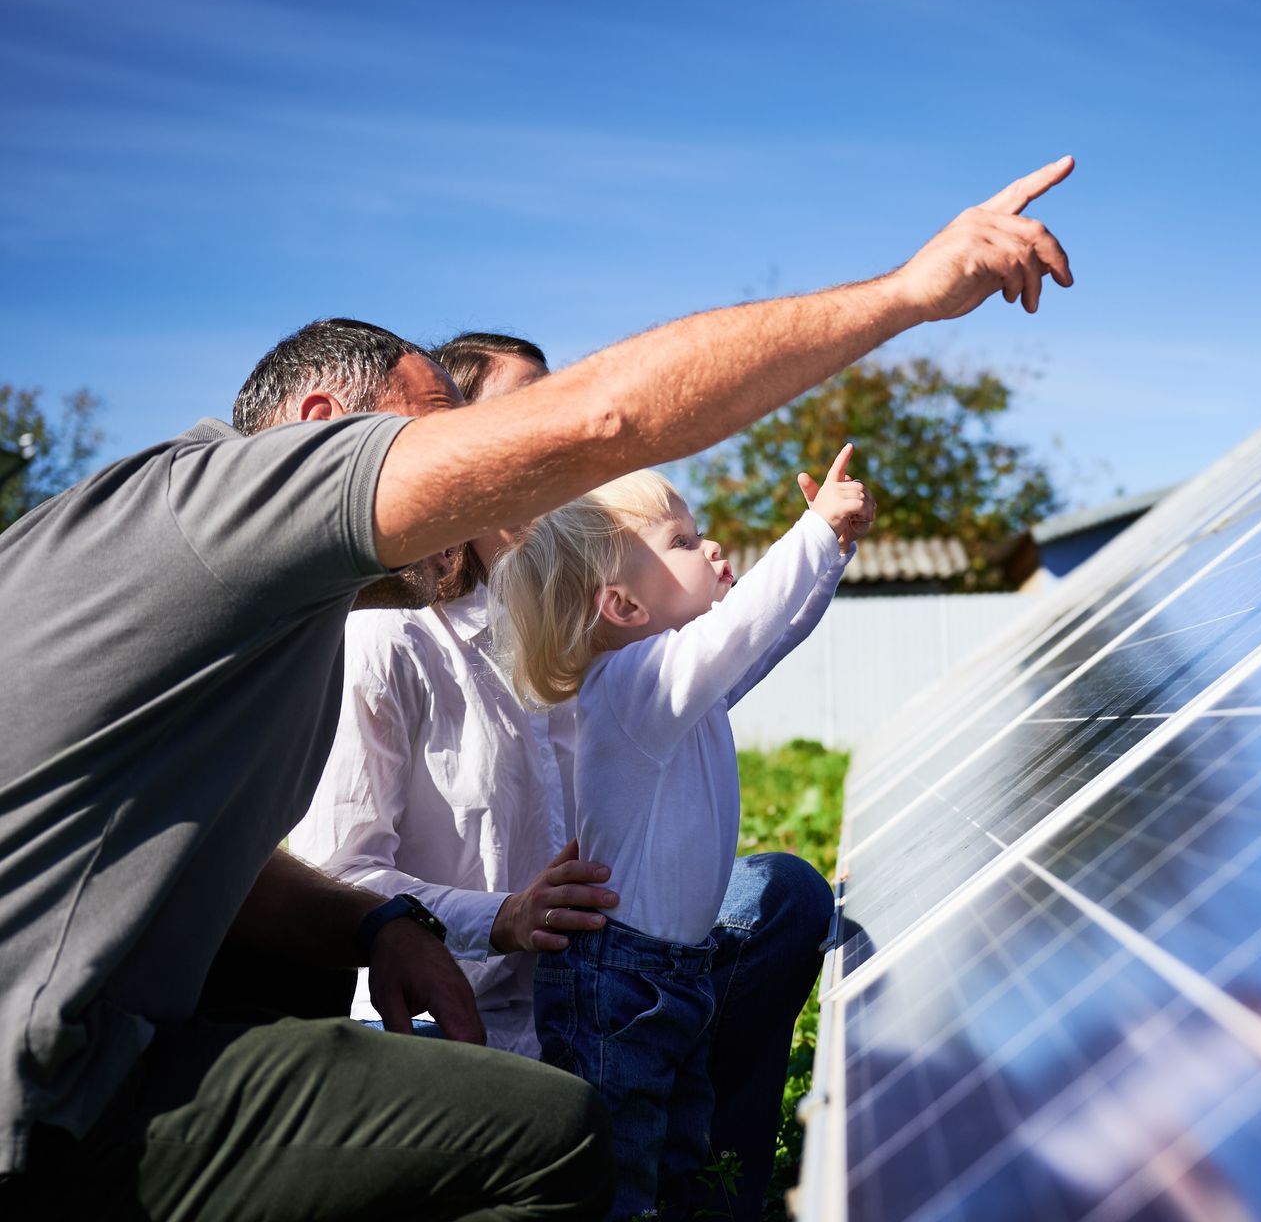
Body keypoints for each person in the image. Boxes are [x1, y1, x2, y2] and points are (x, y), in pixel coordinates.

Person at [0, 158, 1075, 1216]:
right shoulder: (243, 525)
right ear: (323, 429)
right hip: (57, 1093)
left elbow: (209, 865)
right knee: (556, 1133)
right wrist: (906, 293)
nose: (508, 483)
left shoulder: (293, 617)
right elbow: (605, 419)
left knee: (775, 899)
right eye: (459, 443)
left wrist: (382, 928)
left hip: (265, 1017)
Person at [288, 330, 832, 1215]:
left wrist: (813, 558)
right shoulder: (387, 637)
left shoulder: (603, 627)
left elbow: (739, 648)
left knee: (780, 897)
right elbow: (336, 876)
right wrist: (504, 917)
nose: (554, 439)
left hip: (616, 983)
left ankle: (713, 1188)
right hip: (456, 1017)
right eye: (522, 417)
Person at [485, 454, 872, 1219]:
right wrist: (813, 531)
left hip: (670, 971)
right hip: (620, 982)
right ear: (624, 604)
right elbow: (745, 623)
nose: (712, 547)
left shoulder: (676, 689)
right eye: (684, 542)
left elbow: (769, 635)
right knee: (617, 1168)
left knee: (678, 1147)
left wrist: (831, 552)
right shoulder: (634, 685)